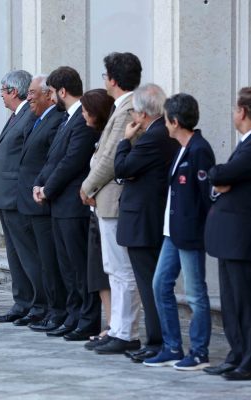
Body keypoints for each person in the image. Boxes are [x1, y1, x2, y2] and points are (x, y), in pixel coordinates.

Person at [204, 87, 251, 380]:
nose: (233, 113)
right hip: (232, 233)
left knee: (245, 301)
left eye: (235, 108)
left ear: (243, 112)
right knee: (231, 300)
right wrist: (222, 178)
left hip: (243, 232)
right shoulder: (250, 141)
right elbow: (224, 177)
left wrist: (220, 177)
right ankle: (236, 355)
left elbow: (220, 174)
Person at [142, 93, 214, 371]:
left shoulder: (199, 150)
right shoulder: (182, 148)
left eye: (167, 120)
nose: (165, 125)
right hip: (171, 232)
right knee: (160, 285)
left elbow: (206, 196)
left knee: (196, 294)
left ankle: (199, 352)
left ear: (174, 121)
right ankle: (172, 346)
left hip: (190, 234)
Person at [80, 52, 142, 354]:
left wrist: (87, 184)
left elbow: (111, 158)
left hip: (113, 198)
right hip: (105, 200)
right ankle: (117, 327)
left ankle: (126, 331)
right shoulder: (122, 107)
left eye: (106, 76)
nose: (104, 82)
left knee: (121, 269)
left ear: (114, 80)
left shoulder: (128, 107)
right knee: (112, 268)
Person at [34, 66, 101, 340]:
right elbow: (53, 160)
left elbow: (71, 162)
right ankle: (73, 316)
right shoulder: (67, 119)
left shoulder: (81, 121)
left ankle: (87, 320)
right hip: (59, 204)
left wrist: (47, 189)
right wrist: (39, 185)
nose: (50, 98)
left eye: (51, 92)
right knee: (67, 268)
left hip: (73, 206)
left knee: (79, 267)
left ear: (62, 91)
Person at [114, 83, 179, 363]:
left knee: (150, 284)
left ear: (141, 113)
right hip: (149, 218)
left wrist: (124, 141)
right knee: (151, 283)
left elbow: (124, 168)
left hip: (144, 220)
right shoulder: (160, 133)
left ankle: (157, 342)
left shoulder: (153, 136)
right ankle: (158, 340)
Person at [0, 70, 46, 325]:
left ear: (13, 91)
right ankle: (21, 301)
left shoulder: (29, 115)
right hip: (5, 196)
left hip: (18, 196)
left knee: (28, 253)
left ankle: (38, 304)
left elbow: (31, 158)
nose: (0, 94)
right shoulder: (16, 116)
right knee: (14, 253)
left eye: (2, 90)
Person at [18, 75, 68, 332]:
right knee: (41, 262)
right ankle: (47, 308)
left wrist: (43, 188)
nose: (28, 97)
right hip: (30, 201)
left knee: (50, 263)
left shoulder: (56, 120)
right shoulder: (36, 120)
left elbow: (53, 161)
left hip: (43, 203)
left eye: (33, 93)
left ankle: (56, 310)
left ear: (50, 95)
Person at [79, 89, 114, 343]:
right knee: (98, 274)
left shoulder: (109, 137)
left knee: (112, 273)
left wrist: (88, 189)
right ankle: (111, 325)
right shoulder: (98, 137)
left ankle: (115, 325)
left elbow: (109, 170)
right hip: (94, 211)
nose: (82, 115)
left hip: (107, 210)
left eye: (85, 110)